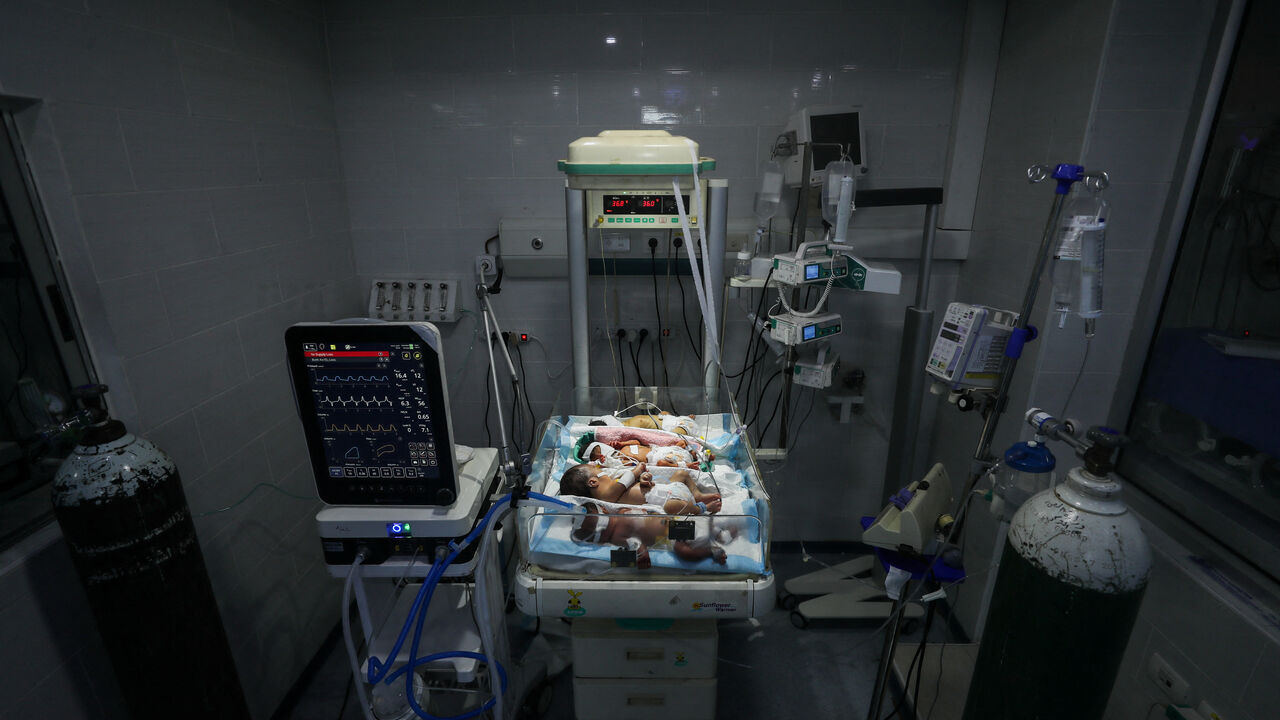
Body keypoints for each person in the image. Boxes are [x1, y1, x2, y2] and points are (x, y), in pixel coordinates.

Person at [571, 502, 729, 567]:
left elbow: (646, 508)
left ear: (604, 510)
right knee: (684, 552)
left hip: (672, 521)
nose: (602, 531)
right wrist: (642, 555)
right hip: (670, 538)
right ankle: (711, 551)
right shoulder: (617, 537)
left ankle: (709, 518)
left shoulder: (621, 511)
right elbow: (637, 545)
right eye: (595, 535)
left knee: (698, 525)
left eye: (597, 526)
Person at [559, 463, 721, 515]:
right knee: (675, 507)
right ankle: (700, 508)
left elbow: (632, 481)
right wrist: (636, 471)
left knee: (681, 474)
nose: (603, 470)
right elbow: (626, 480)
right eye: (599, 471)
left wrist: (643, 478)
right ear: (593, 482)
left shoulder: (616, 484)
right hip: (669, 502)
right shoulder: (606, 497)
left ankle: (697, 494)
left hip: (670, 488)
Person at [585, 438, 700, 468]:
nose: (602, 455)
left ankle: (692, 454)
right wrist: (610, 462)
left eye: (600, 451)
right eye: (599, 456)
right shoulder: (619, 458)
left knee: (682, 442)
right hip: (657, 458)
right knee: (661, 463)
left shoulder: (621, 448)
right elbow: (630, 464)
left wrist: (621, 443)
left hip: (660, 450)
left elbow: (637, 442)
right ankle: (686, 464)